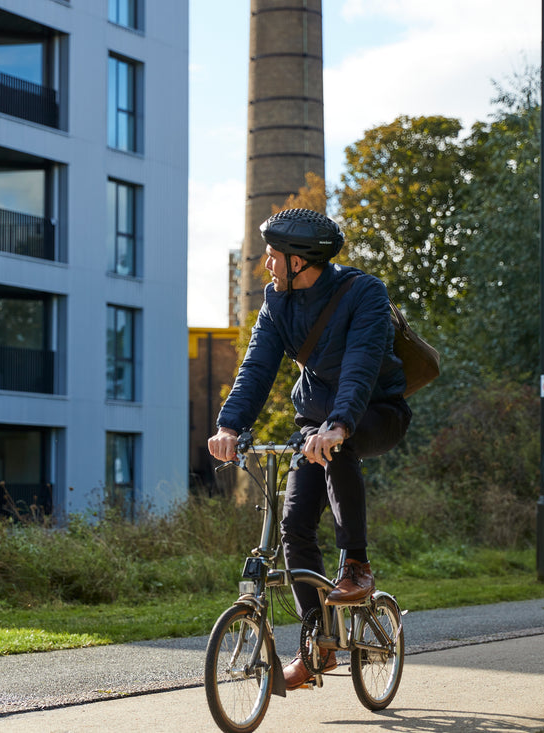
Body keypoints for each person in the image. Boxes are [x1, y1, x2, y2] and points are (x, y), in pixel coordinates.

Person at [207, 208, 411, 690]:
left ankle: (356, 565)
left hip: (375, 413)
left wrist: (339, 425)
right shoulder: (276, 302)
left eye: (273, 255)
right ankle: (318, 645)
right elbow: (256, 368)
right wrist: (229, 425)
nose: (266, 265)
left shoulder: (364, 293)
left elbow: (360, 369)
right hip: (316, 424)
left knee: (337, 448)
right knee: (294, 524)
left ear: (300, 261)